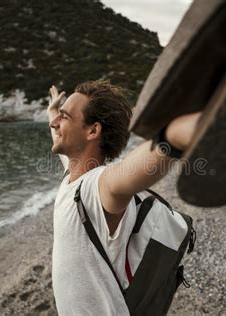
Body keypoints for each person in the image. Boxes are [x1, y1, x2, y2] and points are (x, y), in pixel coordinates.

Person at [48, 81, 201, 315]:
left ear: (92, 131)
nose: (53, 123)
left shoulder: (97, 187)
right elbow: (58, 135)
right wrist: (54, 111)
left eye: (64, 118)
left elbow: (130, 172)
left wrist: (174, 137)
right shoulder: (73, 176)